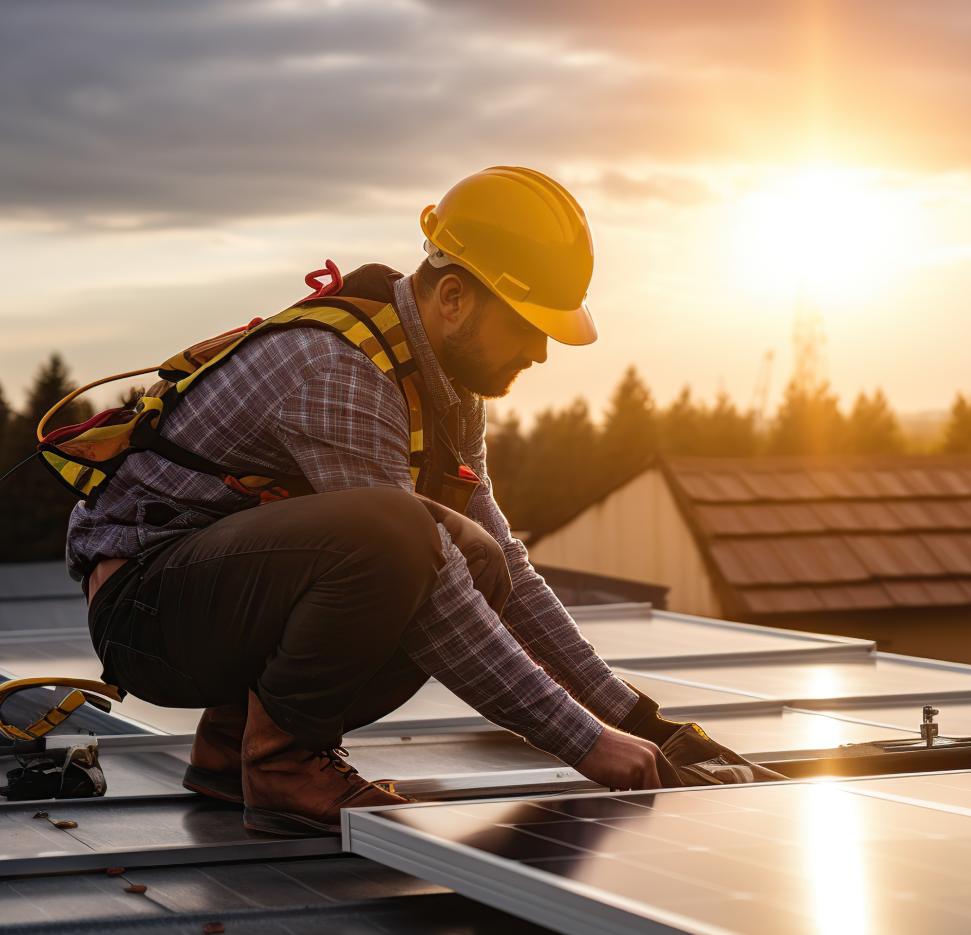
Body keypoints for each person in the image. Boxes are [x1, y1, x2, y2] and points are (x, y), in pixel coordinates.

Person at [74, 166, 690, 836]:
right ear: (452, 297)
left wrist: (634, 718)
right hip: (145, 613)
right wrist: (584, 742)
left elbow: (495, 563)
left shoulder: (449, 386)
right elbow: (435, 602)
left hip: (214, 600)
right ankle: (283, 765)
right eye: (525, 327)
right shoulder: (338, 372)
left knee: (480, 559)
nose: (540, 352)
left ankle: (233, 746)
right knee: (398, 536)